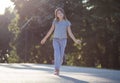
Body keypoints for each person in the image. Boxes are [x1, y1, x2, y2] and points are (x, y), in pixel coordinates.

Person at [40, 7, 81, 75]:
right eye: (58, 13)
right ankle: (57, 69)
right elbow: (50, 31)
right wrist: (45, 38)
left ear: (63, 13)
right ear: (56, 15)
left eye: (61, 12)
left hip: (63, 40)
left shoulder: (67, 22)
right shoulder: (55, 21)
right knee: (57, 54)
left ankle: (60, 60)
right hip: (55, 40)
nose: (60, 14)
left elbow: (70, 33)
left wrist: (75, 40)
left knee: (60, 56)